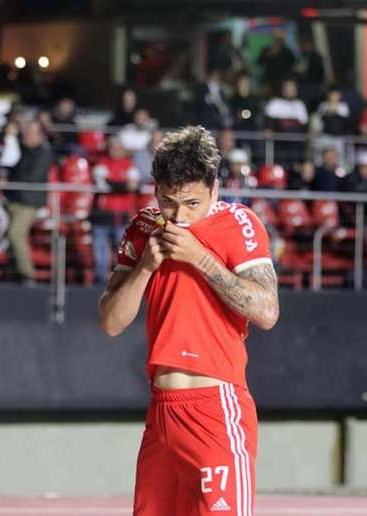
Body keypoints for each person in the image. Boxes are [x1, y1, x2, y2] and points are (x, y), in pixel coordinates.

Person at [98, 126, 279, 516]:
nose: (179, 216)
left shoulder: (240, 223)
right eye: (168, 202)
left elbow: (266, 311)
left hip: (215, 407)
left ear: (215, 189)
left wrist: (199, 257)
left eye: (192, 203)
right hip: (161, 411)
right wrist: (145, 266)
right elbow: (111, 322)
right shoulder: (144, 227)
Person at [5, 120, 51, 286]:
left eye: (31, 132)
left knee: (15, 233)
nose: (27, 135)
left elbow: (31, 176)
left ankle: (27, 274)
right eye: (26, 131)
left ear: (40, 135)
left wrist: (10, 177)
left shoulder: (43, 152)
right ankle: (12, 271)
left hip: (28, 202)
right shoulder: (20, 149)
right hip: (11, 200)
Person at [91, 137, 141, 284]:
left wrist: (114, 184)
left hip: (122, 215)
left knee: (122, 251)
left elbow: (134, 185)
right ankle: (100, 281)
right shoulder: (101, 164)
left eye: (119, 147)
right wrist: (123, 186)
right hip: (102, 214)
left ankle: (120, 281)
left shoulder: (129, 165)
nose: (116, 150)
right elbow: (102, 185)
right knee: (100, 250)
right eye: (113, 147)